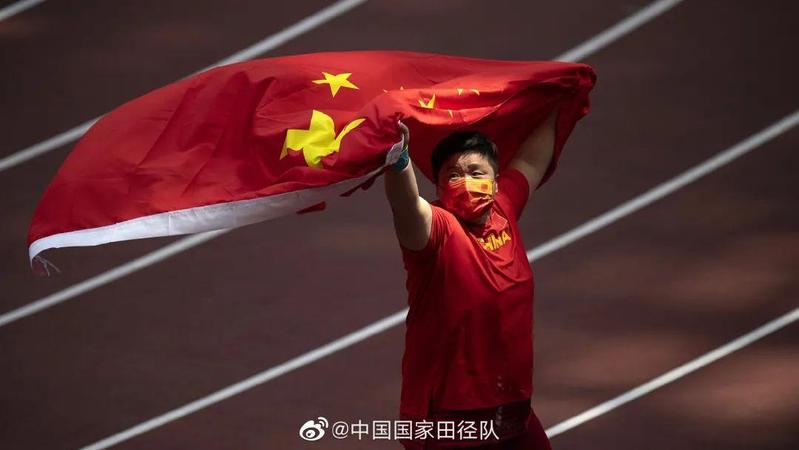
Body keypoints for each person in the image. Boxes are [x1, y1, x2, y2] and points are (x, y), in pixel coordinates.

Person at [383, 109, 559, 449]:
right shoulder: (437, 229)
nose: (465, 182)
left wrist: (560, 102)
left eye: (476, 172)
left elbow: (531, 161)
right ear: (438, 186)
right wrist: (399, 159)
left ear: (495, 181)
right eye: (453, 175)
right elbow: (407, 206)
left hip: (511, 407)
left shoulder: (504, 209)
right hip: (451, 418)